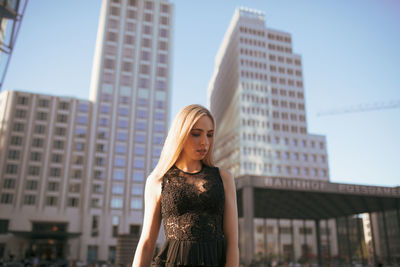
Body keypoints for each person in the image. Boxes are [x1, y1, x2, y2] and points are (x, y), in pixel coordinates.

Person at [132, 104, 239, 267]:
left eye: (210, 135)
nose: (205, 142)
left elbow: (232, 242)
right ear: (180, 134)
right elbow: (147, 243)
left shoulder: (224, 178)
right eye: (196, 134)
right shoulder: (157, 180)